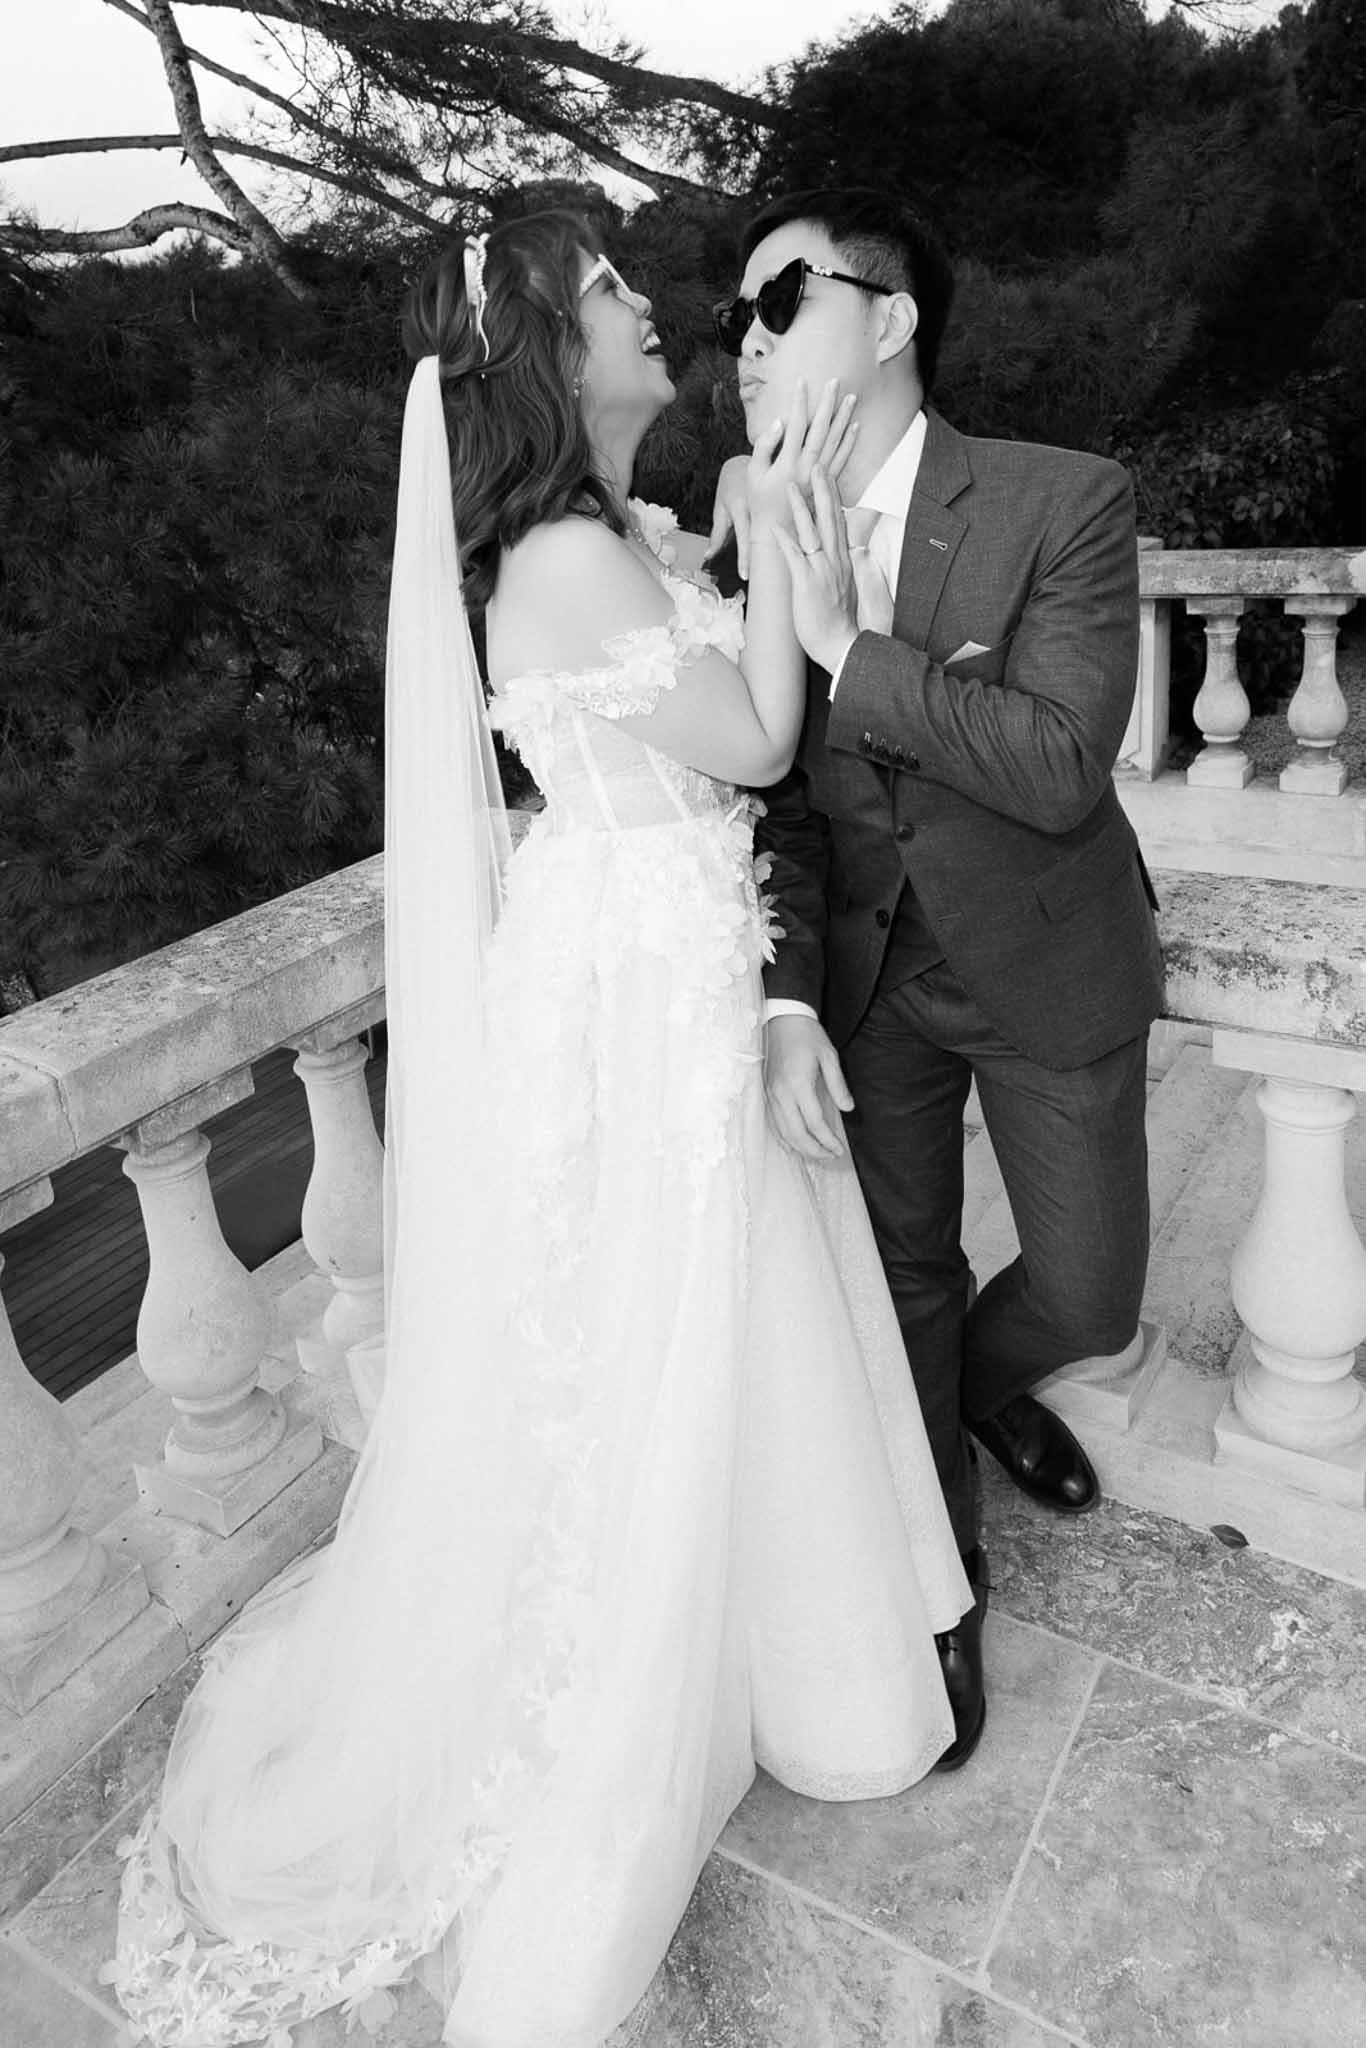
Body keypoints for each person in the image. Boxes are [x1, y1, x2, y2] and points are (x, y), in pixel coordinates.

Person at [109, 210, 972, 2048]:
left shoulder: (611, 535)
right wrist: (803, 560)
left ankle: (762, 1638)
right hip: (639, 977)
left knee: (703, 1309)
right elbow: (749, 740)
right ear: (540, 356)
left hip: (655, 949)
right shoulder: (569, 559)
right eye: (606, 296)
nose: (649, 308)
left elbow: (701, 687)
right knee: (653, 1319)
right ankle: (641, 1684)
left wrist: (740, 535)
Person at [709, 187, 1165, 1768]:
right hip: (865, 985)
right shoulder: (749, 525)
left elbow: (1053, 766)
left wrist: (850, 646)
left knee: (1093, 1291)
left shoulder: (1062, 500)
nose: (746, 348)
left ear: (888, 320)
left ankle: (979, 1385)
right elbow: (759, 794)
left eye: (781, 306)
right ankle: (934, 1575)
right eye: (732, 322)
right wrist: (779, 999)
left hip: (1041, 968)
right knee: (895, 1273)